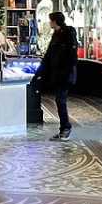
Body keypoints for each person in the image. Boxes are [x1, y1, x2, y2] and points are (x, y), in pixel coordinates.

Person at [35, 12, 78, 141]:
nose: (49, 23)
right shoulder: (56, 35)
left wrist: (64, 71)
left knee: (60, 101)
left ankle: (65, 128)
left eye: (50, 21)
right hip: (58, 75)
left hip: (65, 75)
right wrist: (39, 72)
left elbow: (71, 56)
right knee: (59, 101)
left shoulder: (68, 33)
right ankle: (63, 129)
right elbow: (49, 55)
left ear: (55, 21)